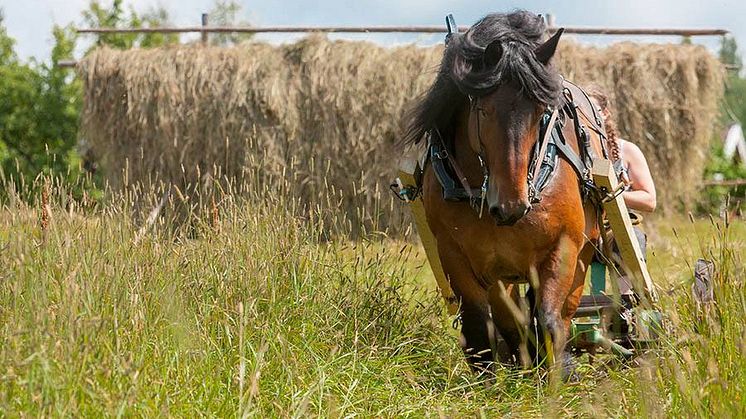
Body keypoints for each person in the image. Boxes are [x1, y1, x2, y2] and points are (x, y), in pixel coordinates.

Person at [587, 85, 657, 301]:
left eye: (592, 110)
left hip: (613, 228)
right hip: (581, 229)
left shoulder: (626, 150)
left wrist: (613, 193)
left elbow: (649, 200)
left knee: (628, 238)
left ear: (605, 113)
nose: (586, 117)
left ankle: (626, 306)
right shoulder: (570, 150)